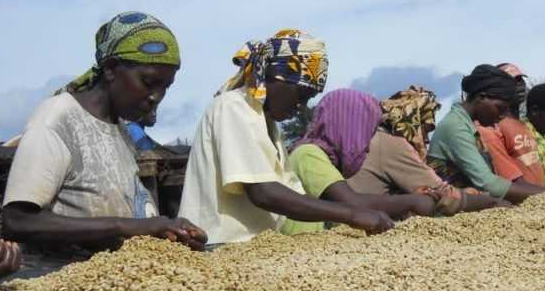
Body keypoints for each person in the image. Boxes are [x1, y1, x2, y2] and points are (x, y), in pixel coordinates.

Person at [2, 12, 207, 274]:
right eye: (148, 82)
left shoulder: (122, 131)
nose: (157, 96)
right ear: (111, 69)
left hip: (116, 285)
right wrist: (125, 227)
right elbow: (17, 220)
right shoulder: (58, 119)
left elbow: (131, 213)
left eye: (166, 87)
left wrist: (169, 230)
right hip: (60, 286)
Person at [178, 29, 393, 245]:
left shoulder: (268, 125)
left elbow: (294, 196)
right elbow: (263, 192)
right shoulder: (233, 107)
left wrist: (359, 210)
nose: (300, 107)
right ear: (276, 78)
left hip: (254, 248)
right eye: (301, 95)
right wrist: (351, 214)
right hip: (218, 245)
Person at [285, 89, 442, 234]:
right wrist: (411, 202)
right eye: (365, 134)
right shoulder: (308, 154)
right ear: (347, 128)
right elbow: (351, 203)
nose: (367, 148)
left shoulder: (324, 158)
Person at [337, 87, 508, 214]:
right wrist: (488, 201)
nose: (426, 139)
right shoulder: (392, 144)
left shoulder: (368, 138)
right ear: (411, 123)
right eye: (425, 129)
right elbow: (444, 195)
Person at [427, 64, 545, 204]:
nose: (501, 116)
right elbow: (487, 184)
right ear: (481, 97)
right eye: (499, 108)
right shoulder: (455, 126)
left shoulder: (468, 125)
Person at [476, 63, 545, 187]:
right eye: (513, 81)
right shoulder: (493, 126)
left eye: (521, 79)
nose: (519, 84)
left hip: (540, 197)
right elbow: (508, 178)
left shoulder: (525, 125)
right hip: (524, 199)